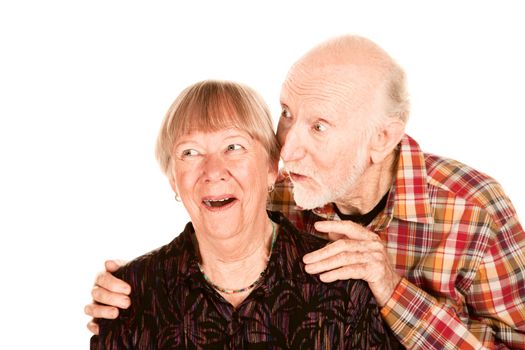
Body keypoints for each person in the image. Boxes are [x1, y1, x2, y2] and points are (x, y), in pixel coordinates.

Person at [86, 36, 525, 349]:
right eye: (287, 114)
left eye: (318, 127)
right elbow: (217, 214)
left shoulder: (473, 210)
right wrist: (137, 289)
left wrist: (392, 290)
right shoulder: (285, 184)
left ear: (381, 138)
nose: (288, 147)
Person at [90, 80, 400, 348]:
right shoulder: (130, 296)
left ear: (271, 168)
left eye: (234, 147)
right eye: (190, 152)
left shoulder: (342, 285)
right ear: (173, 178)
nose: (212, 171)